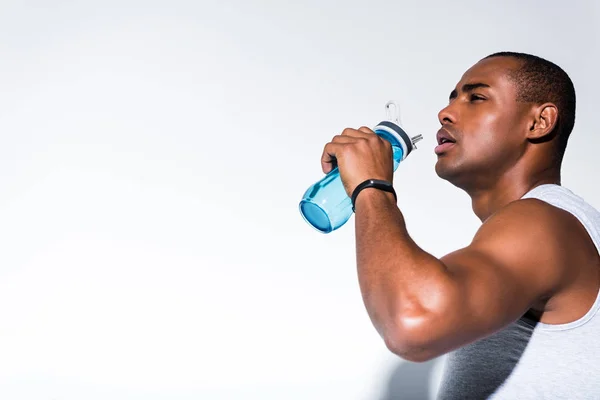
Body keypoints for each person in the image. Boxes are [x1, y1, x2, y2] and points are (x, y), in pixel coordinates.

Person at [321, 51, 600, 398]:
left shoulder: (541, 222)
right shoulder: (557, 223)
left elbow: (413, 322)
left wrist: (371, 187)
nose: (445, 112)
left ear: (539, 122)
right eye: (451, 98)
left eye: (476, 97)